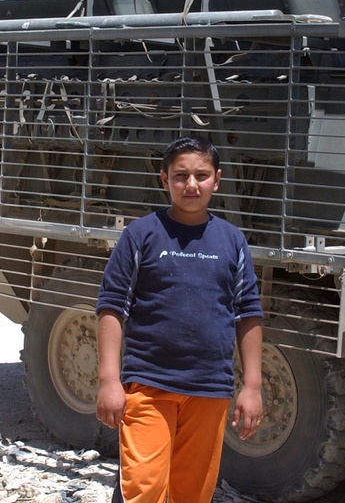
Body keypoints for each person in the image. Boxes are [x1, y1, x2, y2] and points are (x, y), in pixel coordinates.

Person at [96, 135, 264, 503]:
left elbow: (247, 312)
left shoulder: (232, 241)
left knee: (193, 494)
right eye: (180, 176)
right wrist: (109, 380)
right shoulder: (140, 235)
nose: (191, 185)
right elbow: (111, 306)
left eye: (201, 175)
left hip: (210, 391)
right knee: (144, 488)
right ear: (164, 179)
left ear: (216, 180)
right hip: (148, 386)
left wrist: (251, 387)